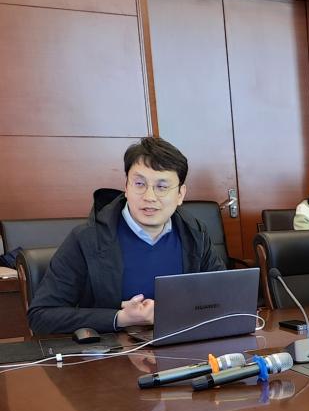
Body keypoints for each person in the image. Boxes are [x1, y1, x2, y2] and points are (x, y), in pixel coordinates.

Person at [28, 137, 226, 334]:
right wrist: (120, 318)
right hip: (114, 351)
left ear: (180, 194)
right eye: (139, 184)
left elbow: (223, 298)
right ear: (126, 187)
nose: (149, 197)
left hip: (184, 345)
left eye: (162, 187)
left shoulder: (195, 233)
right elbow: (41, 316)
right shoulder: (87, 239)